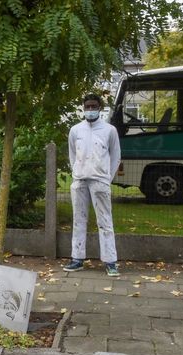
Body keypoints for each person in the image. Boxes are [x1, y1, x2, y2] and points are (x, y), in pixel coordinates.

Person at [63, 94, 121, 277]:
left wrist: (106, 178)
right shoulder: (75, 130)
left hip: (100, 181)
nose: (90, 110)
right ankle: (77, 259)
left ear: (100, 107)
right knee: (78, 220)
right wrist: (76, 174)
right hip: (79, 181)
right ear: (83, 107)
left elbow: (115, 156)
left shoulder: (109, 130)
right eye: (87, 106)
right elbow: (72, 154)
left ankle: (110, 261)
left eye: (93, 106)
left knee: (105, 221)